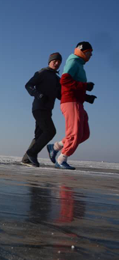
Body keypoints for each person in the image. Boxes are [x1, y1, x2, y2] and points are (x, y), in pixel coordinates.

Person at [47, 42, 96, 170]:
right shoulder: (73, 62)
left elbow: (74, 86)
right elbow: (64, 81)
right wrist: (85, 86)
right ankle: (62, 159)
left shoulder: (79, 64)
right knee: (75, 134)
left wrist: (87, 97)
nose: (91, 55)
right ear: (82, 51)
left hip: (77, 102)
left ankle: (56, 146)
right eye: (89, 52)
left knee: (84, 134)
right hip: (71, 102)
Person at [21, 53, 62, 167]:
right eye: (55, 61)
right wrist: (37, 94)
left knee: (39, 135)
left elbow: (60, 95)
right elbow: (28, 85)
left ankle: (26, 159)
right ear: (49, 61)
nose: (57, 63)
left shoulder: (57, 79)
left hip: (48, 109)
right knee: (50, 131)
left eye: (59, 62)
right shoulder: (42, 73)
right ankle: (31, 153)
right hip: (39, 108)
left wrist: (84, 97)